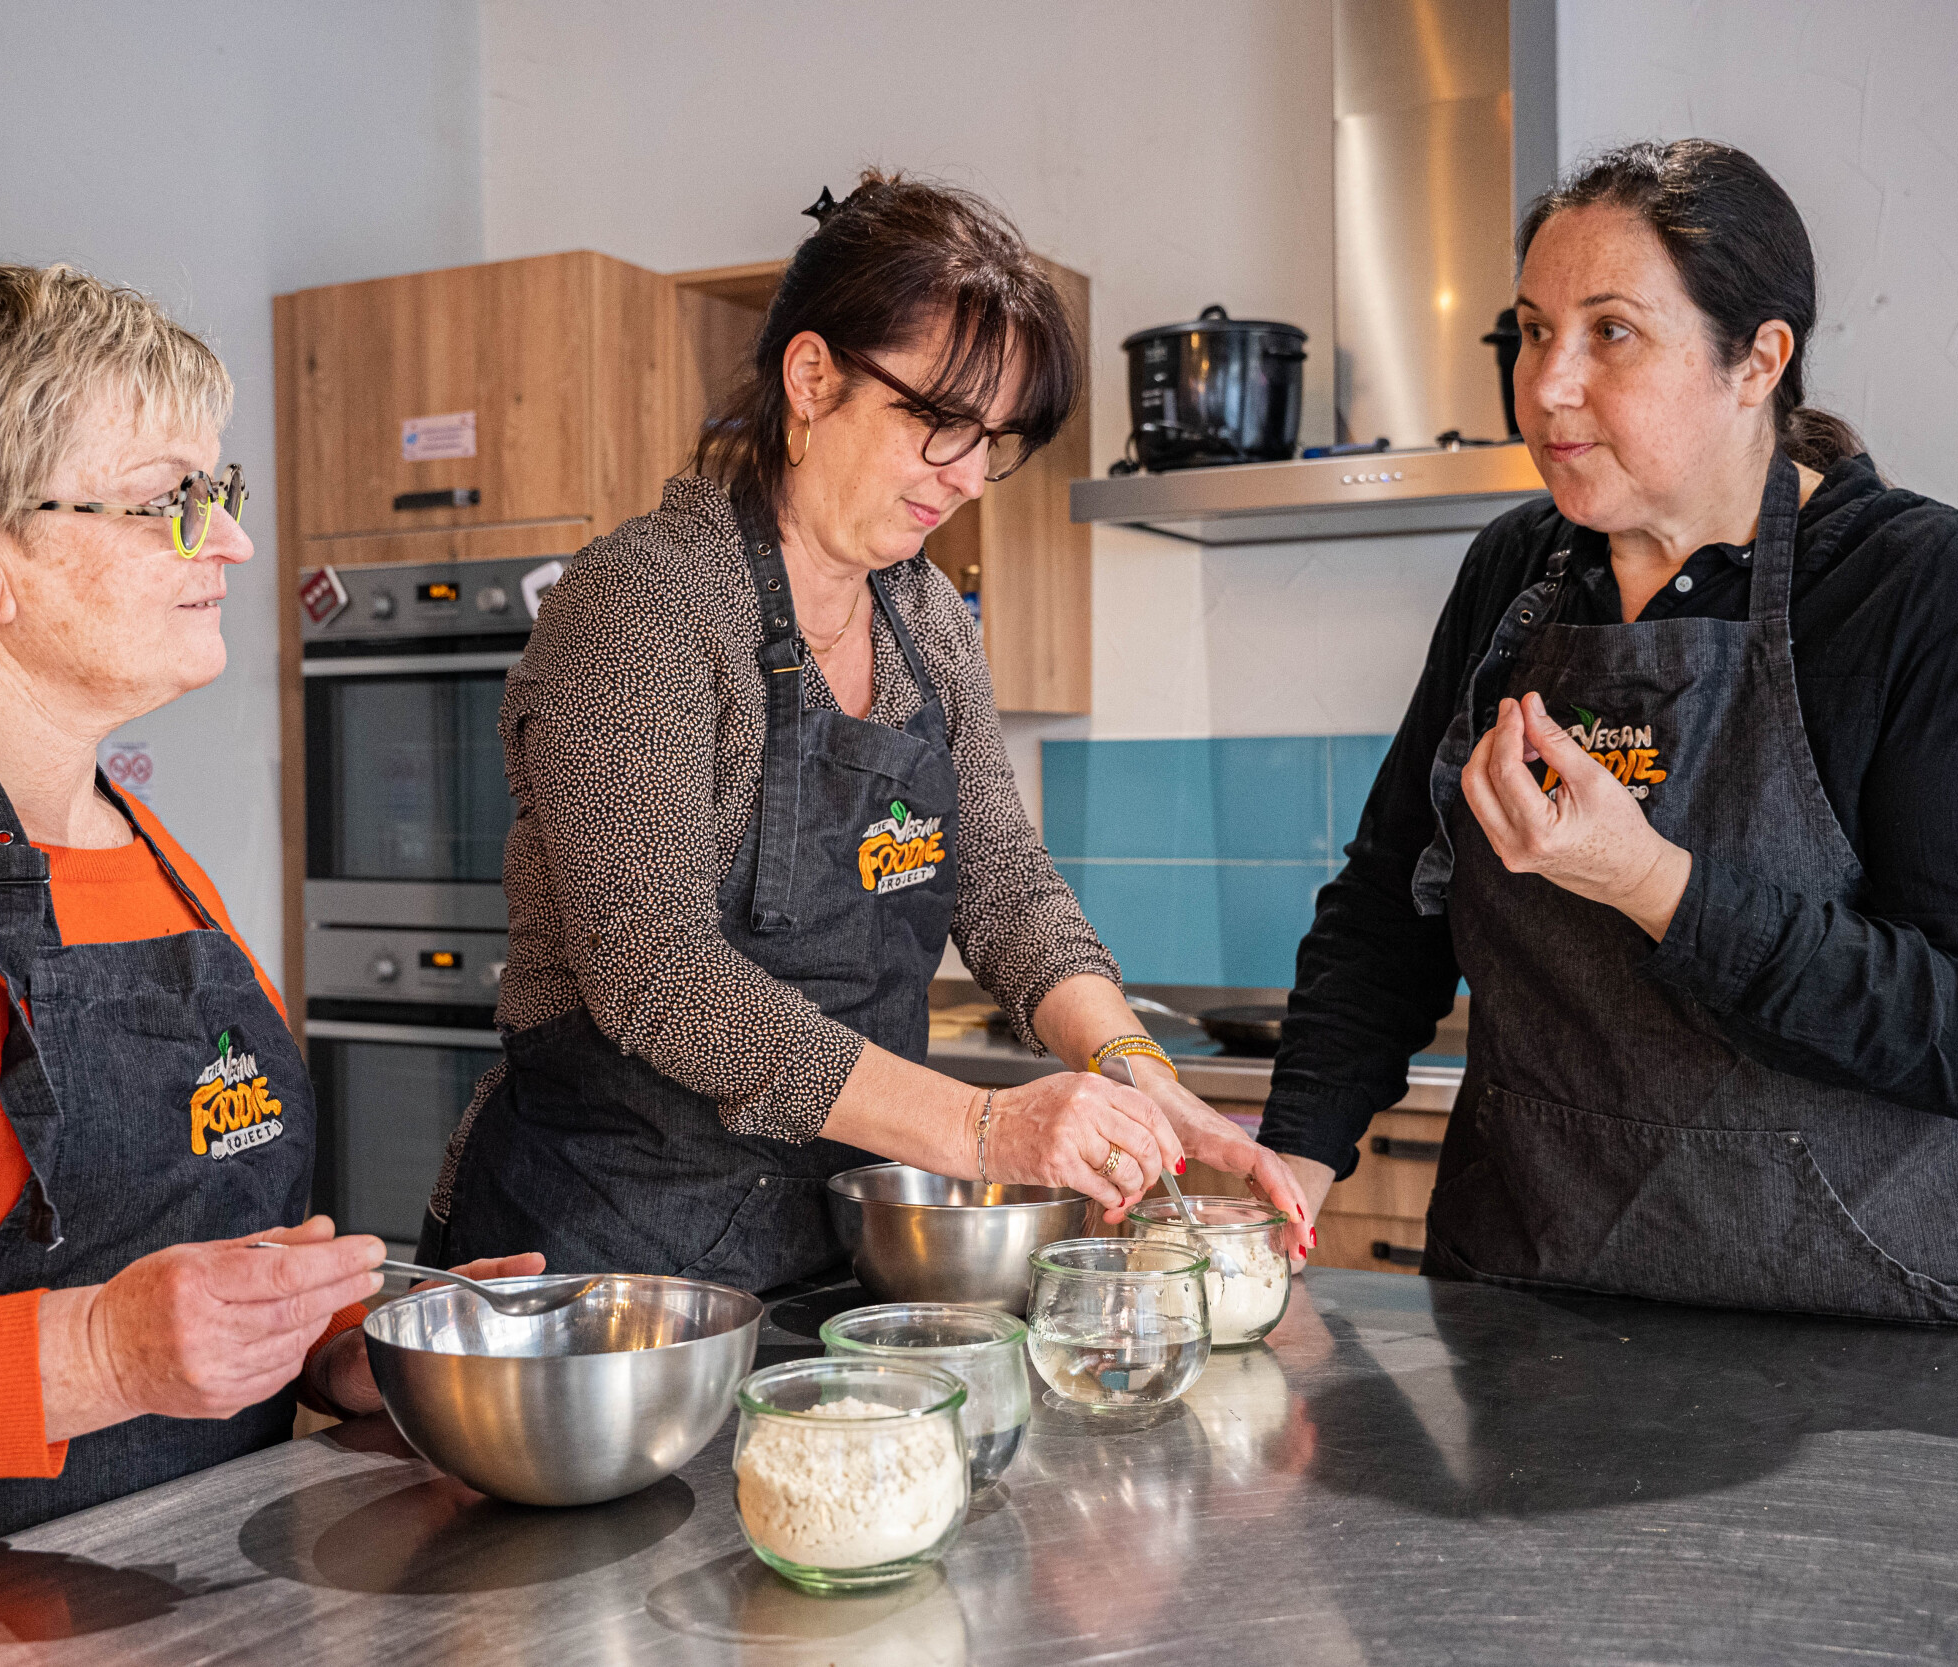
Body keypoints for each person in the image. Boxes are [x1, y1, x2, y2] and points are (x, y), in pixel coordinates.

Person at [0, 265, 537, 1643]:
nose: (233, 544)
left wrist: (340, 1340)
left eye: (221, 489)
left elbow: (168, 1247)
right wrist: (100, 1352)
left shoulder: (127, 833)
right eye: (167, 500)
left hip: (159, 1588)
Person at [1260, 140, 1958, 1335]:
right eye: (1532, 329)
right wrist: (1293, 1162)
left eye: (1610, 332)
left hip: (1886, 1338)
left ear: (1758, 359)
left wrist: (1653, 883)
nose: (1548, 385)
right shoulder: (1515, 576)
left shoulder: (1938, 593)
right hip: (1541, 1310)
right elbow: (1391, 904)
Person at [427, 174, 1310, 1289]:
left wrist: (1132, 1061)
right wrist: (986, 1131)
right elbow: (657, 971)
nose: (969, 476)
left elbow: (1002, 882)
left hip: (830, 1243)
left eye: (995, 440)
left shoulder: (925, 616)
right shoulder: (644, 603)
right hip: (605, 1262)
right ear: (812, 378)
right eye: (939, 421)